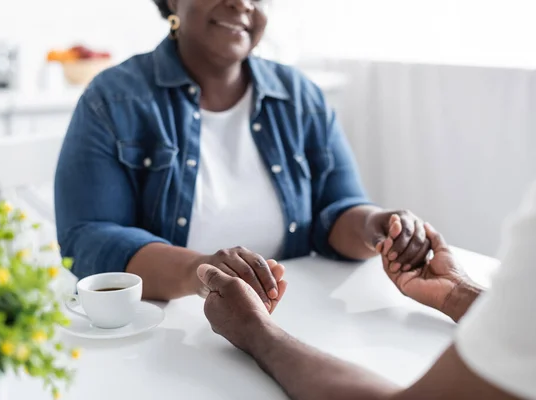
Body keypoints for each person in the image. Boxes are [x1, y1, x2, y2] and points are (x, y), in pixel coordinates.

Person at [197, 2, 536, 399]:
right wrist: (456, 292)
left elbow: (338, 206)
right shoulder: (122, 97)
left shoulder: (299, 93)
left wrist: (255, 331)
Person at [54, 0, 431, 308]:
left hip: (293, 315)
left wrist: (378, 226)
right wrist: (199, 272)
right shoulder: (112, 99)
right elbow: (89, 238)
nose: (242, 4)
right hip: (160, 330)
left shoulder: (301, 96)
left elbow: (338, 209)